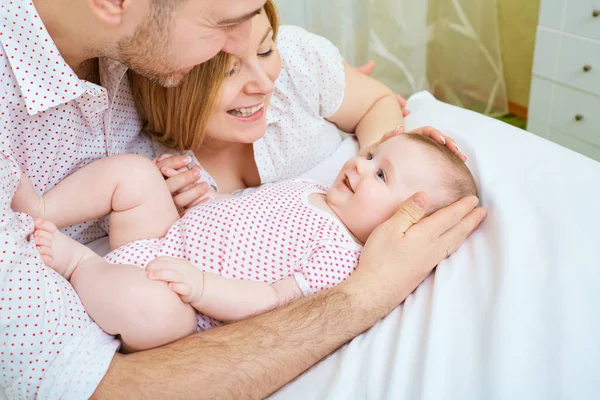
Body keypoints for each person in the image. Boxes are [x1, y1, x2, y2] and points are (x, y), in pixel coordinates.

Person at [0, 0, 486, 398]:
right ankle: (70, 249)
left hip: (170, 278)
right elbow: (104, 386)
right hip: (157, 256)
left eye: (265, 43)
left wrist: (400, 150)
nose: (269, 74)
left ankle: (79, 258)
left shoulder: (142, 50)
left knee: (145, 236)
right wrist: (371, 291)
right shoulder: (160, 77)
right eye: (225, 26)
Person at [12, 129, 478, 350]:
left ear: (405, 222)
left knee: (155, 313)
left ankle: (79, 266)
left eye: (381, 173)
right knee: (133, 175)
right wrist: (198, 200)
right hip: (165, 240)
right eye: (370, 154)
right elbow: (242, 210)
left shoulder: (342, 259)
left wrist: (201, 289)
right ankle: (46, 208)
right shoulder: (312, 189)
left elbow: (271, 300)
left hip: (183, 301)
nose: (359, 165)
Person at [130, 1, 467, 203]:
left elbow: (377, 102)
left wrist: (387, 158)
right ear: (171, 81)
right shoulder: (163, 171)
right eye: (230, 73)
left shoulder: (297, 62)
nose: (265, 84)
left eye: (265, 50)